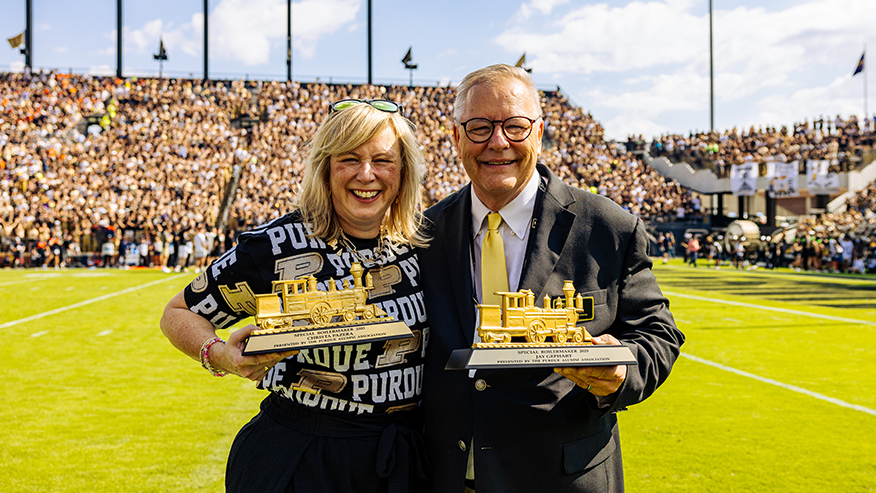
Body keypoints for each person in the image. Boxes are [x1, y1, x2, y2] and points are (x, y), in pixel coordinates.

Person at [418, 64, 684, 493]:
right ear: (456, 138)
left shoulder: (608, 227)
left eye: (515, 126)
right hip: (446, 477)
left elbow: (658, 335)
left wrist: (620, 370)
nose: (498, 142)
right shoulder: (423, 233)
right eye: (480, 127)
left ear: (539, 133)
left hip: (562, 479)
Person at [160, 99, 431, 493]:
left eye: (383, 160)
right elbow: (178, 312)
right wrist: (222, 356)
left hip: (402, 457)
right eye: (350, 159)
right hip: (303, 455)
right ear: (325, 167)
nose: (367, 174)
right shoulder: (277, 244)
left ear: (404, 171)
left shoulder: (423, 242)